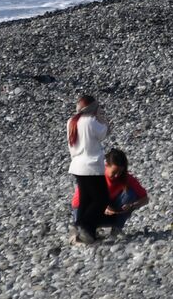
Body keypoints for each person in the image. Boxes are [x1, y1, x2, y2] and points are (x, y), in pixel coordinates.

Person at [71, 149, 148, 235]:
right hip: (84, 210)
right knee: (85, 235)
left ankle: (117, 228)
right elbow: (83, 200)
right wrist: (102, 207)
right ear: (106, 165)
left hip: (110, 211)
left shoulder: (125, 177)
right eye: (114, 172)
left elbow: (145, 199)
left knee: (130, 194)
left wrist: (132, 205)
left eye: (120, 172)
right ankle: (88, 228)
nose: (117, 175)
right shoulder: (95, 175)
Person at [68, 95, 109, 244]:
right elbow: (104, 133)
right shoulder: (90, 121)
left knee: (86, 199)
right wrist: (101, 118)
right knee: (102, 199)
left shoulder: (71, 121)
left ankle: (86, 233)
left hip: (77, 164)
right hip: (91, 165)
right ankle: (82, 225)